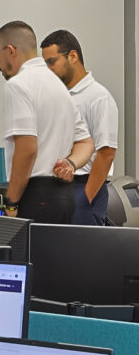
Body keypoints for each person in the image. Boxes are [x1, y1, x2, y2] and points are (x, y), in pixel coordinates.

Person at [0, 20, 94, 223]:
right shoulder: (58, 86)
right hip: (64, 196)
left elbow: (27, 150)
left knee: (29, 246)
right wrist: (70, 164)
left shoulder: (17, 85)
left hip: (36, 196)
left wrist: (11, 202)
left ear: (10, 50)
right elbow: (86, 142)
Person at [40, 29, 119, 226]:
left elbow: (107, 153)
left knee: (81, 246)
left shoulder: (98, 98)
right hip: (56, 189)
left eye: (52, 61)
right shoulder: (58, 97)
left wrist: (86, 198)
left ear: (73, 56)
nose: (48, 69)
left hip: (82, 187)